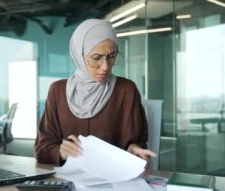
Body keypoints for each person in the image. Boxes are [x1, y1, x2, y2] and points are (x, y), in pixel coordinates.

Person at [34, 19, 156, 168]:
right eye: (96, 58)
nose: (105, 66)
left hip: (114, 182)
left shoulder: (126, 90)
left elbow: (137, 143)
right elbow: (42, 149)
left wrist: (132, 150)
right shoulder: (57, 91)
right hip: (67, 183)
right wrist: (60, 151)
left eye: (112, 56)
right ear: (79, 54)